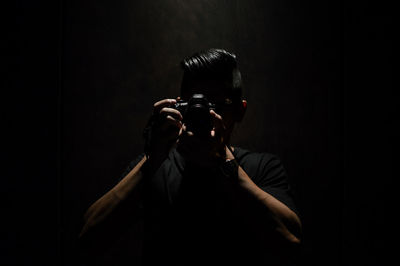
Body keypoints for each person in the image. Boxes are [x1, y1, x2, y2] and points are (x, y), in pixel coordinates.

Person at [78, 48, 302, 266]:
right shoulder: (155, 166)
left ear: (239, 111)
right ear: (178, 105)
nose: (203, 113)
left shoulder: (260, 167)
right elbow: (88, 238)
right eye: (196, 104)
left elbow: (292, 242)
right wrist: (153, 157)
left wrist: (225, 161)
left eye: (215, 105)